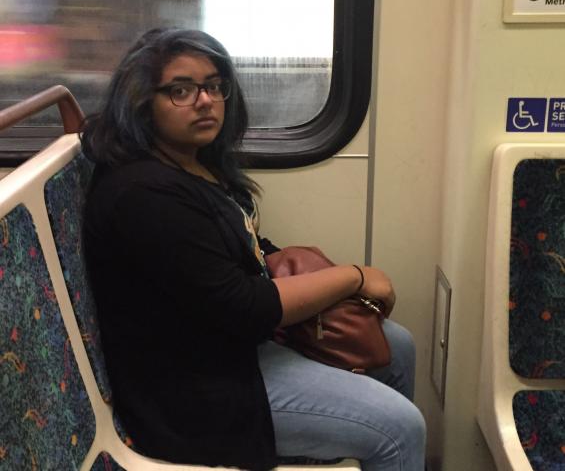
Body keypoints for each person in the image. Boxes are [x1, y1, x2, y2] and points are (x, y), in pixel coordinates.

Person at [81, 28, 426, 471]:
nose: (205, 101)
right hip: (196, 391)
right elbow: (245, 306)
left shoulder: (193, 162)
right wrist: (354, 277)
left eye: (213, 85)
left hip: (227, 347)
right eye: (181, 90)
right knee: (400, 429)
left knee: (397, 347)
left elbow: (242, 249)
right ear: (144, 103)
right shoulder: (144, 195)